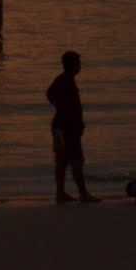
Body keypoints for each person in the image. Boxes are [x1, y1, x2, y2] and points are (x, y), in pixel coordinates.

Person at [46, 50, 100, 203]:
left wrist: (58, 105)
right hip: (67, 128)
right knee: (76, 159)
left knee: (62, 160)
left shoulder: (62, 79)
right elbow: (55, 98)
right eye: (78, 63)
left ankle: (60, 193)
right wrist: (64, 109)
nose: (80, 66)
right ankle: (83, 194)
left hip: (60, 126)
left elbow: (50, 94)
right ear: (73, 65)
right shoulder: (67, 81)